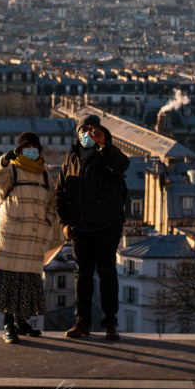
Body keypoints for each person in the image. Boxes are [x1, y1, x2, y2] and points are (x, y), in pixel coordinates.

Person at [55, 113, 130, 341]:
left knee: (107, 275)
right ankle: (82, 322)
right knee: (82, 277)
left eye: (92, 130)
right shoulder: (71, 157)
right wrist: (64, 222)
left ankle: (110, 323)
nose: (87, 134)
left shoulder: (106, 155)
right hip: (80, 229)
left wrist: (104, 145)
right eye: (83, 130)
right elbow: (60, 192)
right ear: (77, 133)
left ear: (100, 132)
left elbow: (123, 164)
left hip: (106, 228)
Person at [0, 131, 59, 344]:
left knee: (26, 280)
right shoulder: (13, 171)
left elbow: (52, 200)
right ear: (19, 151)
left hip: (34, 235)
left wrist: (48, 220)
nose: (31, 152)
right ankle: (8, 324)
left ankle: (22, 322)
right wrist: (4, 161)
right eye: (27, 149)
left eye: (34, 149)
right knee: (9, 278)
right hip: (12, 233)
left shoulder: (45, 175)